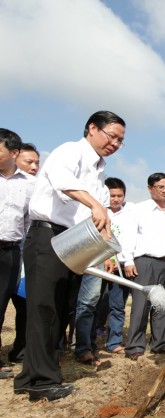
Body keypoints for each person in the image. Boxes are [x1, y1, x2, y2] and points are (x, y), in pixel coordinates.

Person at [14, 111, 124, 401]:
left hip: (72, 241)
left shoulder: (99, 171)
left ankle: (31, 375)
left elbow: (100, 212)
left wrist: (107, 243)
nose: (114, 143)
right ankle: (41, 382)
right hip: (47, 237)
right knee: (44, 309)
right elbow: (62, 179)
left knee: (62, 309)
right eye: (111, 136)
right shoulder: (70, 150)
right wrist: (94, 205)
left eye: (120, 141)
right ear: (92, 128)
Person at [123, 173, 165, 360]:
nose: (164, 190)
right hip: (145, 261)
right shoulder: (138, 209)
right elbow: (128, 235)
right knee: (140, 305)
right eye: (160, 187)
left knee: (164, 305)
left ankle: (159, 344)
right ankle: (135, 346)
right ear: (149, 188)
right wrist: (128, 260)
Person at [0, 130, 34, 378]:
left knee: (1, 306)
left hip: (10, 252)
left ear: (13, 153)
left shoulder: (29, 185)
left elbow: (28, 224)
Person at [7, 143, 40, 364]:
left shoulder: (35, 188)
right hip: (6, 250)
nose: (34, 167)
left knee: (25, 305)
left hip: (22, 255)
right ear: (14, 157)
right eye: (29, 162)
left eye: (37, 163)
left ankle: (20, 349)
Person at [102, 177, 135, 354]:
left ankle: (114, 342)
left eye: (119, 195)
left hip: (120, 266)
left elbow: (131, 240)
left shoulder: (130, 214)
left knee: (117, 306)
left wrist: (127, 260)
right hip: (99, 265)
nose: (115, 199)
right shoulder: (98, 212)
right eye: (111, 195)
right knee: (91, 304)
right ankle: (85, 342)